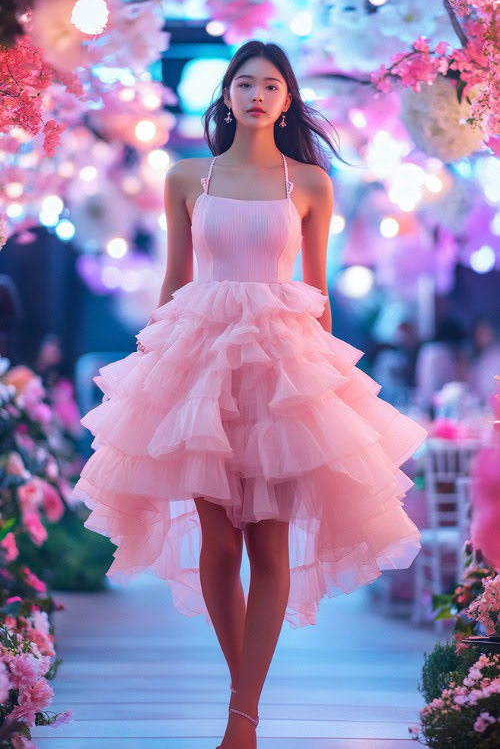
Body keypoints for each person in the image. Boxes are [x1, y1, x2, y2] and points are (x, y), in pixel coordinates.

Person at [71, 41, 428, 749]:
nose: (258, 94)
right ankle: (246, 699)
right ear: (227, 95)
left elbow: (319, 295)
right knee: (216, 543)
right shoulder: (186, 177)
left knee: (268, 545)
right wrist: (155, 371)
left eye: (271, 85)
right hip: (198, 364)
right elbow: (175, 281)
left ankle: (242, 719)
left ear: (287, 99)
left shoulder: (310, 183)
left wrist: (326, 388)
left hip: (282, 367)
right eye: (245, 83)